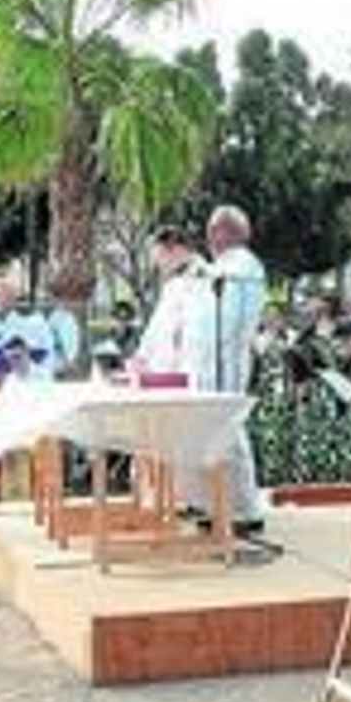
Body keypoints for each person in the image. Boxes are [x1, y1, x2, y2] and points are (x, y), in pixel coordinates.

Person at [199, 205, 268, 536]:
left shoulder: (241, 268)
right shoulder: (221, 267)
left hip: (226, 363)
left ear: (233, 234)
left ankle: (245, 509)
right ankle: (220, 504)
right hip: (210, 364)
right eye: (211, 229)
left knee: (230, 434)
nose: (211, 236)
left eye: (217, 229)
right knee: (216, 436)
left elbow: (228, 323)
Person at [132, 226, 210, 378]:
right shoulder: (172, 284)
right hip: (165, 372)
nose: (158, 265)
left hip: (192, 368)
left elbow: (190, 330)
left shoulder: (204, 276)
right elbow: (155, 327)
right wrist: (141, 356)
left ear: (176, 249)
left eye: (160, 257)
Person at [43, 279, 85, 379]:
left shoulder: (69, 319)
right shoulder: (54, 315)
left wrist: (67, 360)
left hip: (62, 360)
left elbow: (70, 343)